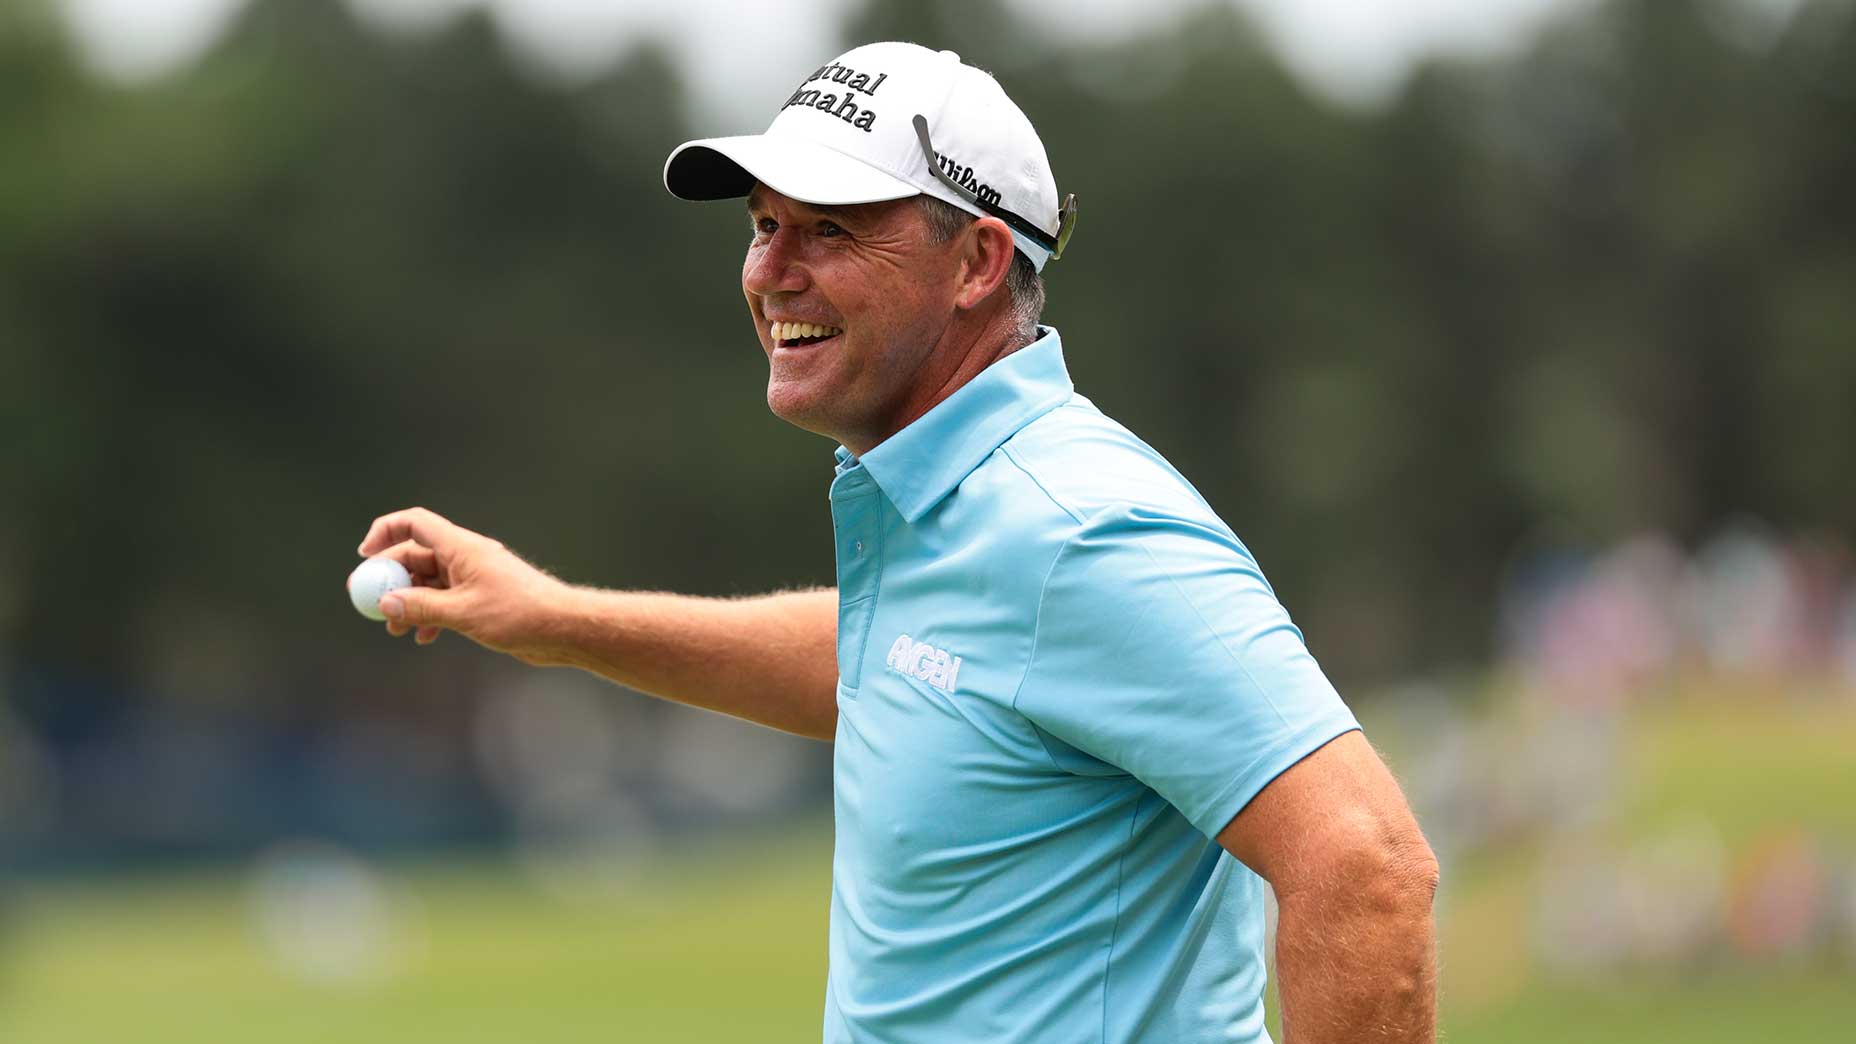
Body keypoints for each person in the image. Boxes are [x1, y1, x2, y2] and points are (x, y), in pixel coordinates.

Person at [357, 41, 1438, 1044]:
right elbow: (889, 666)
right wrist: (553, 620)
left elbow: (1366, 865)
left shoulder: (1082, 528)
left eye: (830, 229)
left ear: (976, 262)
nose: (770, 271)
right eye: (763, 225)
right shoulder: (966, 506)